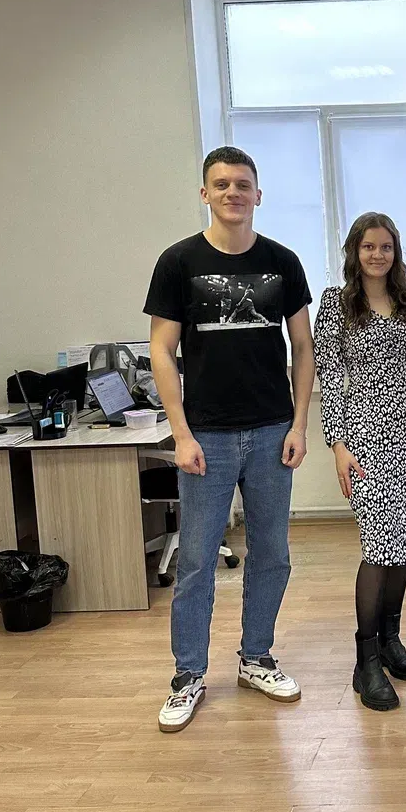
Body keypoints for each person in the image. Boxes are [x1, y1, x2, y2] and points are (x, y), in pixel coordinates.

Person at [146, 146, 314, 733]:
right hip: (207, 438)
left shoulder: (283, 262)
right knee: (196, 562)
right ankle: (188, 675)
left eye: (242, 184)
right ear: (205, 194)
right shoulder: (178, 262)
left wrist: (299, 424)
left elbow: (303, 348)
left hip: (272, 432)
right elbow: (161, 349)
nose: (232, 193)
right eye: (221, 185)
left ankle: (256, 658)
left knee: (272, 554)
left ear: (257, 194)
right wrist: (181, 432)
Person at [313, 212, 406, 712]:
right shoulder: (336, 304)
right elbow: (329, 375)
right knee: (378, 545)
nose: (377, 255)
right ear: (354, 251)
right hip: (363, 437)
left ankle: (390, 640)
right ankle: (364, 661)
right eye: (368, 246)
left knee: (401, 545)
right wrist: (338, 445)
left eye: (386, 246)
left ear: (396, 251)